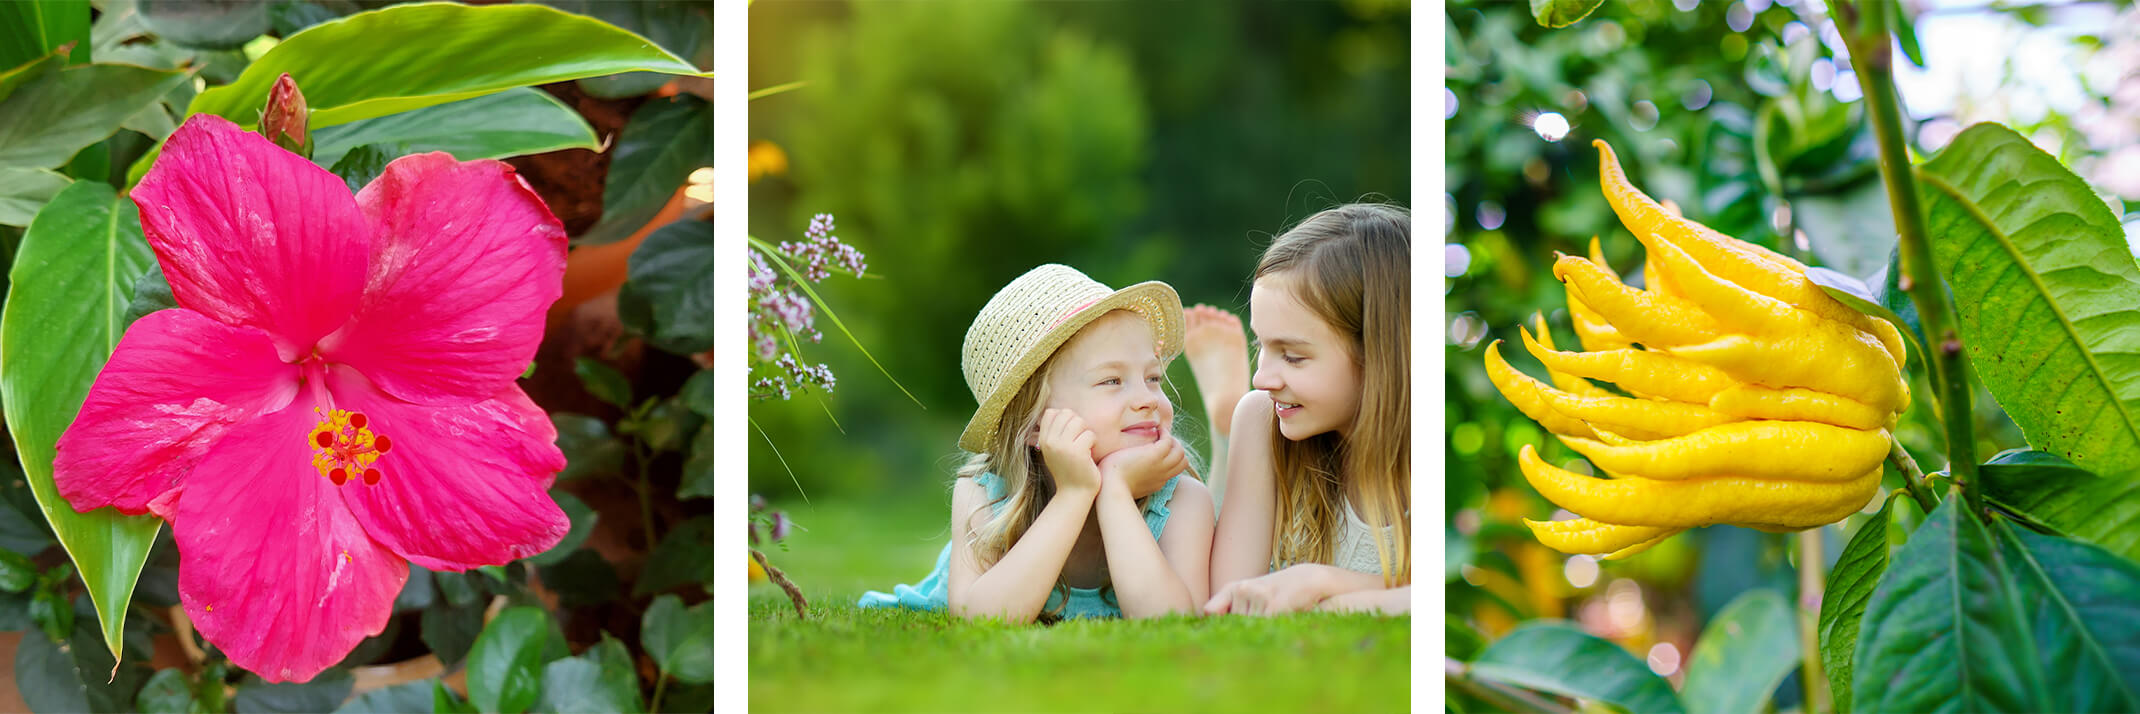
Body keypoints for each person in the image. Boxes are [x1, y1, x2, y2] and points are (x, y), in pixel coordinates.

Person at [858, 264, 1216, 621]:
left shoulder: (1182, 500)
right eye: (1111, 381)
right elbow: (980, 618)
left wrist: (1116, 491)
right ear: (1034, 425)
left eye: (1153, 377)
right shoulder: (985, 492)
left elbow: (1172, 622)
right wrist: (1075, 492)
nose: (1149, 398)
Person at [1205, 204, 1411, 615]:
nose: (1262, 378)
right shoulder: (1261, 420)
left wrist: (1318, 582)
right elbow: (1231, 600)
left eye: (1293, 357)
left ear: (1377, 354)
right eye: (1259, 346)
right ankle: (1220, 431)